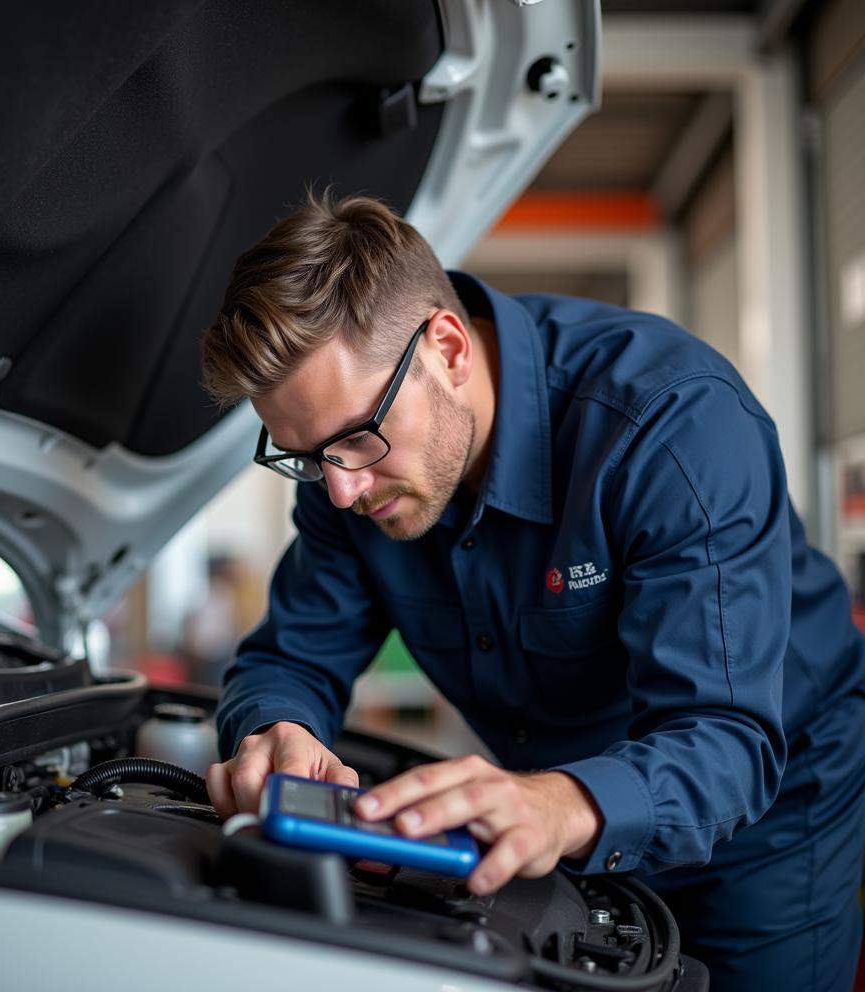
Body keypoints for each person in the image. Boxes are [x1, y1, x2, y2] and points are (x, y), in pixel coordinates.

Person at [200, 191, 865, 991]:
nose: (340, 491)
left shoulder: (670, 425)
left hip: (769, 805)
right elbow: (293, 656)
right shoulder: (350, 473)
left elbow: (723, 736)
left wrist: (561, 804)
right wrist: (276, 729)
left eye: (354, 440)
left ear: (447, 349)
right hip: (555, 802)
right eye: (306, 457)